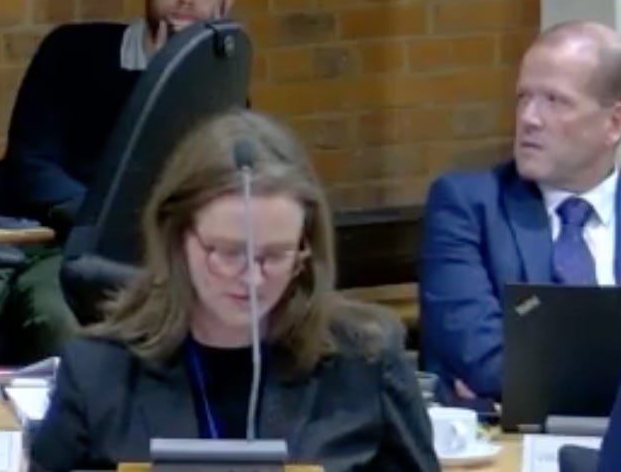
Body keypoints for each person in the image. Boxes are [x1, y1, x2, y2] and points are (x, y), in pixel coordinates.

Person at [29, 109, 435, 472]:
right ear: (176, 236)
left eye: (275, 255)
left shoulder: (367, 358)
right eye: (227, 252)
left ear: (306, 247)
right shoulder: (97, 372)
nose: (252, 279)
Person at [0, 0, 239, 364]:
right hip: (61, 249)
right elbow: (31, 168)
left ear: (225, 4)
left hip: (163, 260)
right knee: (61, 323)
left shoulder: (218, 85)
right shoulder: (73, 52)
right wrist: (110, 222)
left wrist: (172, 83)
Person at [418, 20, 621, 406]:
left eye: (554, 101)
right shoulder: (468, 207)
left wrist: (529, 384)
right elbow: (483, 363)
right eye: (523, 97)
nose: (529, 118)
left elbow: (515, 380)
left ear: (613, 123)